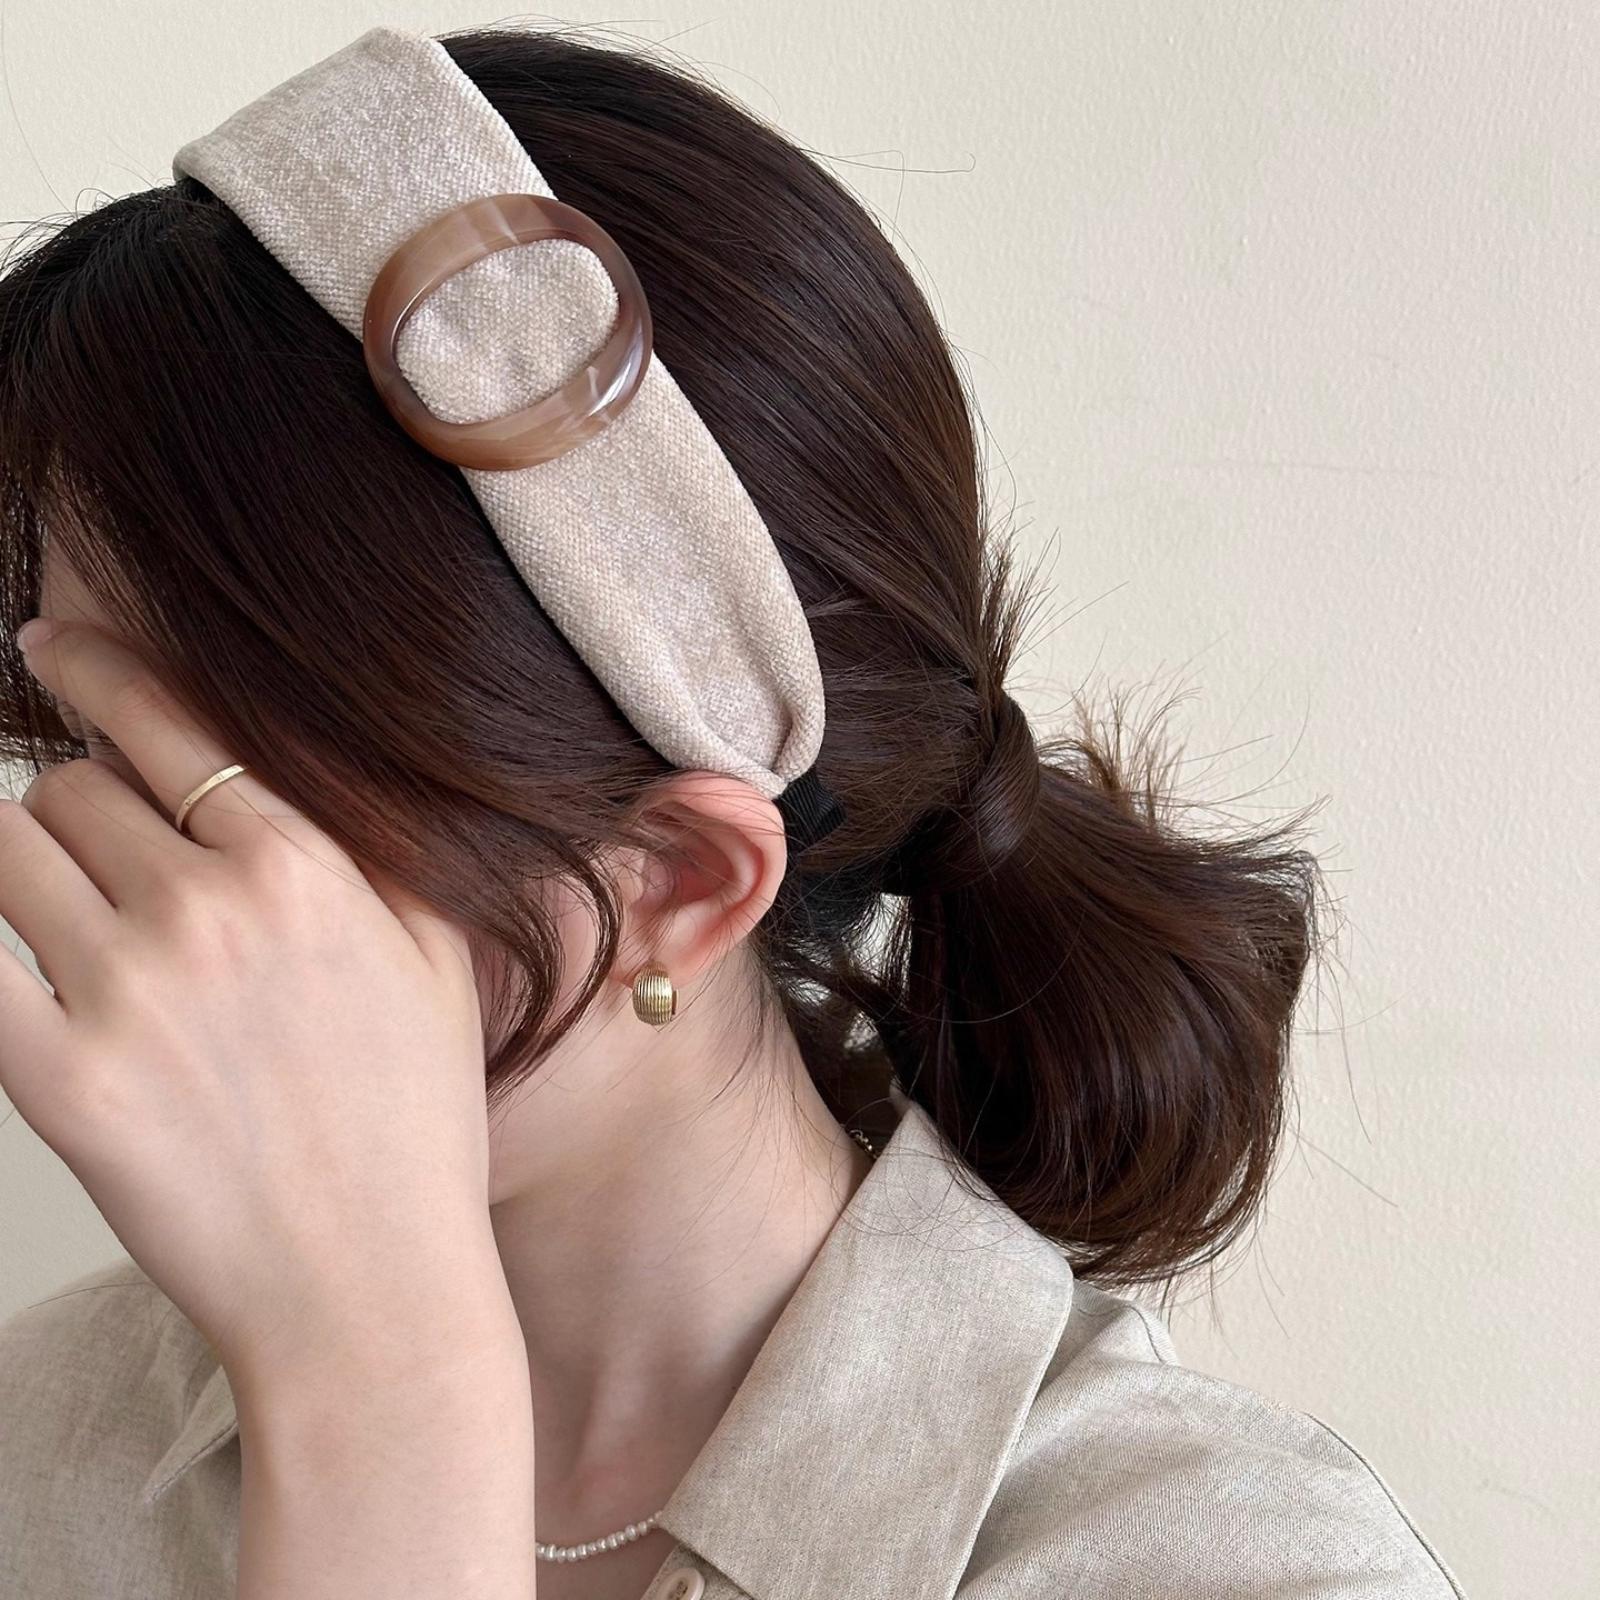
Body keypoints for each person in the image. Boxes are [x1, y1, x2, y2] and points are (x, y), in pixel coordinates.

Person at [0, 22, 1465, 1600]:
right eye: (82, 738)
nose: (103, 869)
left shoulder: (1223, 1566)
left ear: (683, 884)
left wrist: (380, 1403)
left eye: (213, 789)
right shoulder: (47, 1448)